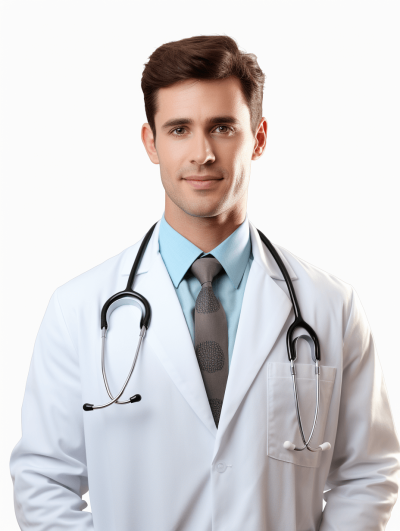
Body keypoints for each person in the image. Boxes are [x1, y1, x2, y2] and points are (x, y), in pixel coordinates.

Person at [10, 35, 400, 531]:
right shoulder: (78, 308)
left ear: (257, 138)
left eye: (222, 127)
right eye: (178, 129)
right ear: (151, 143)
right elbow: (44, 480)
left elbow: (368, 471)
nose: (202, 153)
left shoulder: (330, 306)